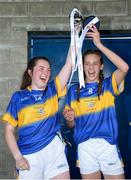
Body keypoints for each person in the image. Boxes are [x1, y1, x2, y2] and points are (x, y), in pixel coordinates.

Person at [63, 25, 129, 179]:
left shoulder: (108, 85)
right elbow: (71, 126)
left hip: (108, 145)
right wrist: (70, 119)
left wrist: (99, 44)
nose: (91, 67)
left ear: (101, 67)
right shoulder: (74, 91)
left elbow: (124, 67)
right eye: (87, 63)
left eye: (95, 63)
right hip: (85, 147)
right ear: (82, 66)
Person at [2, 46, 73, 179]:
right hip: (29, 157)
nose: (45, 72)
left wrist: (75, 34)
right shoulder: (19, 97)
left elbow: (69, 63)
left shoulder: (53, 90)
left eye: (48, 70)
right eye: (41, 68)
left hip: (54, 152)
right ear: (30, 72)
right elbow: (8, 131)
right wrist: (18, 157)